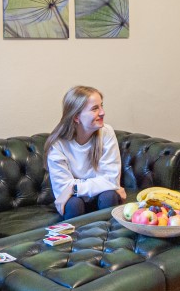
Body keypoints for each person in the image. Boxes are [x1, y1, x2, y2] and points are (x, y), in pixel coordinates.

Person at [45, 85, 126, 219]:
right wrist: (101, 184)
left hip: (100, 196)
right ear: (76, 117)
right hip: (74, 201)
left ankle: (109, 232)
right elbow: (63, 189)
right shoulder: (57, 144)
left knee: (109, 196)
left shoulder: (106, 132)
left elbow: (111, 180)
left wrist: (74, 188)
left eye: (101, 106)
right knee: (74, 205)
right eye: (95, 108)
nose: (102, 112)